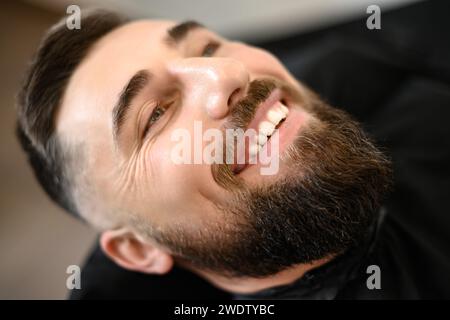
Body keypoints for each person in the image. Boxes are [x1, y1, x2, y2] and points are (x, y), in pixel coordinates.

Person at [17, 0, 450, 299]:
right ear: (140, 250)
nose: (226, 74)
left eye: (207, 47)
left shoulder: (367, 69)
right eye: (155, 114)